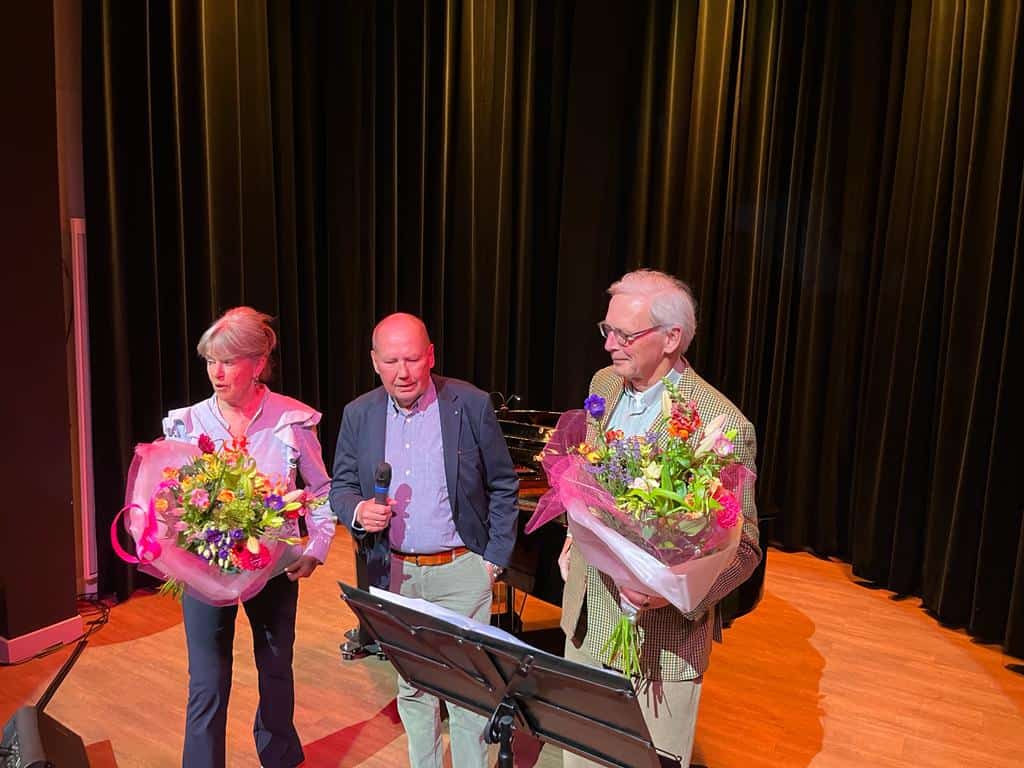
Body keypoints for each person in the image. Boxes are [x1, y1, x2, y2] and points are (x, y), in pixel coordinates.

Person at [558, 270, 761, 767]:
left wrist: (675, 590)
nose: (609, 345)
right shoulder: (603, 383)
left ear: (672, 338)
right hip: (586, 623)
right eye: (605, 331)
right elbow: (587, 470)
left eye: (623, 335)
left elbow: (746, 548)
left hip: (661, 646)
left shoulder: (723, 425)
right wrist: (572, 535)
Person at [330, 312, 519, 768]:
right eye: (391, 360)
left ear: (430, 356)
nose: (403, 372)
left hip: (461, 569)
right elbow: (340, 488)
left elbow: (503, 485)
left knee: (468, 691)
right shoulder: (359, 414)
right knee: (412, 688)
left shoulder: (469, 405)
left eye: (413, 359)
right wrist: (358, 510)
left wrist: (490, 562)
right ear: (375, 361)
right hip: (394, 573)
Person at [163, 306, 336, 768]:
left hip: (273, 566)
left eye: (229, 361)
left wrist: (316, 547)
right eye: (209, 362)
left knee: (276, 670)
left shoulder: (291, 420)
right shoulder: (188, 423)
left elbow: (319, 489)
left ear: (258, 364)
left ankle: (278, 755)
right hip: (205, 571)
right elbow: (169, 496)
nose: (216, 373)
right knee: (207, 680)